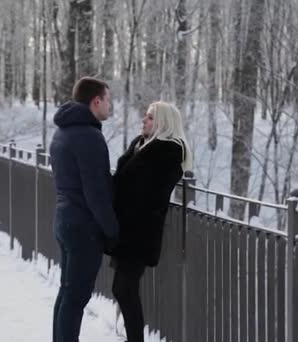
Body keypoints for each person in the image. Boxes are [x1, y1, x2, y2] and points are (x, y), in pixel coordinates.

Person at [110, 101, 193, 342]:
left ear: (163, 123)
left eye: (149, 118)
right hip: (127, 229)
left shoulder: (168, 152)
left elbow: (148, 191)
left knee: (125, 289)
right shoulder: (141, 145)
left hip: (140, 232)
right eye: (145, 117)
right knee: (122, 289)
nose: (143, 121)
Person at [49, 77, 119, 342]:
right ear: (96, 101)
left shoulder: (63, 131)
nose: (110, 106)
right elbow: (95, 191)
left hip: (65, 221)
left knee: (67, 294)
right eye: (108, 100)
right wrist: (112, 230)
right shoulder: (89, 136)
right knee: (76, 298)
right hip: (84, 228)